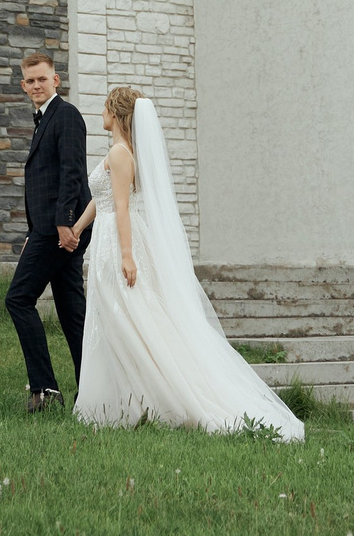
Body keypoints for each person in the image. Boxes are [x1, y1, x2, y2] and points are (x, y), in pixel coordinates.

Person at [69, 86, 305, 440]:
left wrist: (128, 256)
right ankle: (124, 402)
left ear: (115, 115)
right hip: (105, 239)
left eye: (104, 108)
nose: (100, 114)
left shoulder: (120, 154)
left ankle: (155, 400)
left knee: (131, 320)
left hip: (118, 244)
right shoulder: (116, 152)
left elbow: (120, 208)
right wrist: (76, 228)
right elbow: (100, 201)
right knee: (113, 319)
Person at [3, 52, 90, 412]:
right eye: (30, 81)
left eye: (43, 79)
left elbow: (72, 172)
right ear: (24, 86)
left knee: (18, 298)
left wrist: (63, 223)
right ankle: (94, 392)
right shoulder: (43, 120)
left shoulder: (65, 115)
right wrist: (33, 229)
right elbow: (44, 181)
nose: (37, 86)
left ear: (56, 80)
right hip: (49, 228)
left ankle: (45, 391)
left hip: (62, 228)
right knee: (72, 314)